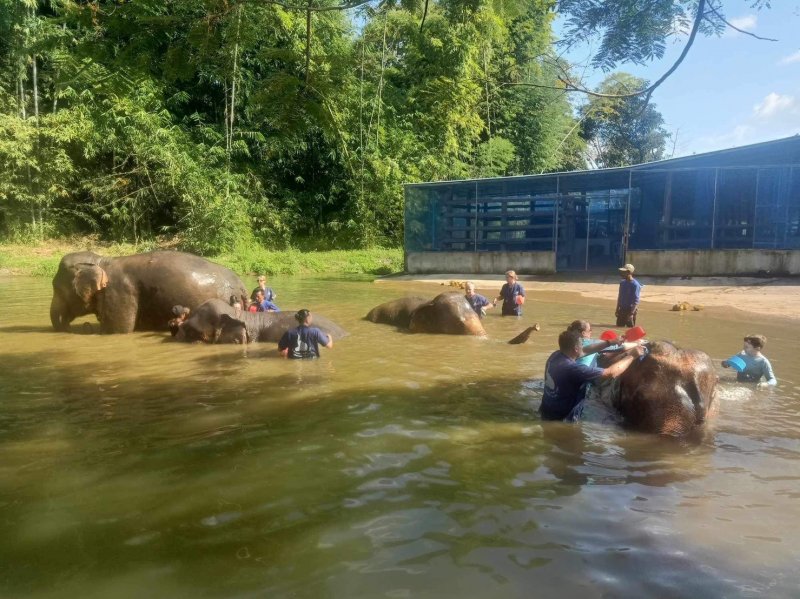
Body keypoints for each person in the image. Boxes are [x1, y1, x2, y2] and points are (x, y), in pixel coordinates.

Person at [539, 329, 645, 422]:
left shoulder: (556, 356)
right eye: (582, 344)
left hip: (546, 410)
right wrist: (632, 356)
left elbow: (585, 350)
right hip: (562, 419)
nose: (583, 346)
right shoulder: (575, 370)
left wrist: (610, 342)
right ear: (576, 348)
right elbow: (611, 373)